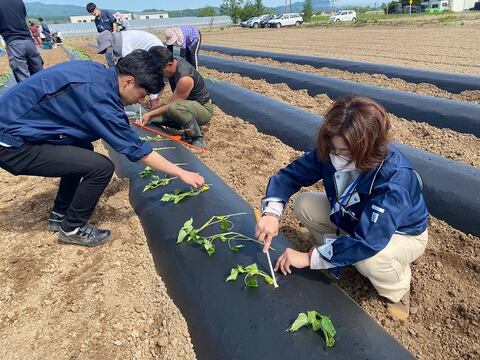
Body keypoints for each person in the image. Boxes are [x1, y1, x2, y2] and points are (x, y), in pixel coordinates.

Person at [0, 50, 204, 247]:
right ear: (128, 81)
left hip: (14, 126)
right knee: (101, 167)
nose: (140, 101)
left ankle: (59, 215)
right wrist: (181, 172)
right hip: (11, 144)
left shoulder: (95, 72)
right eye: (141, 95)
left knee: (82, 149)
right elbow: (138, 150)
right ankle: (73, 228)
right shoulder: (98, 96)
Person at [256, 96, 429, 320]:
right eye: (333, 150)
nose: (336, 157)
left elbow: (369, 241)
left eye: (344, 152)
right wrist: (271, 213)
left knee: (370, 258)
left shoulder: (394, 179)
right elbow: (291, 175)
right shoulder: (332, 151)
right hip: (354, 216)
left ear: (368, 147)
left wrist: (309, 258)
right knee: (305, 205)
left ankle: (398, 288)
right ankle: (337, 253)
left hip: (400, 233)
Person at [141, 47, 214, 149]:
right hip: (186, 106)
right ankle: (184, 124)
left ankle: (197, 137)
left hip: (202, 109)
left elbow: (173, 105)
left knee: (173, 109)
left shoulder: (184, 79)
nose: (159, 74)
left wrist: (150, 112)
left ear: (169, 65)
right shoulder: (173, 62)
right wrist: (150, 113)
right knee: (151, 118)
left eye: (159, 70)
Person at [0, 0, 44, 82]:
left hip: (14, 43)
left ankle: (30, 94)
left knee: (24, 80)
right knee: (39, 74)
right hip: (29, 41)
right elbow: (22, 16)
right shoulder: (18, 1)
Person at [96, 30, 164, 68]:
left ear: (110, 43)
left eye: (106, 49)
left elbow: (130, 63)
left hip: (156, 50)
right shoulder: (119, 38)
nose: (107, 52)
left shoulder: (124, 45)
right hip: (148, 50)